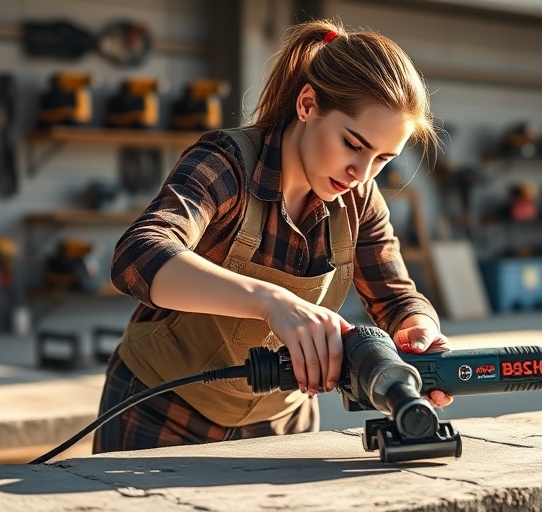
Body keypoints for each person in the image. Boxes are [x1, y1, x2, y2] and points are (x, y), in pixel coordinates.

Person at [94, 18, 451, 453]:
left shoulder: (360, 198)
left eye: (382, 159)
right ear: (307, 105)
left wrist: (421, 332)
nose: (361, 174)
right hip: (162, 410)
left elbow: (395, 298)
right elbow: (138, 255)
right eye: (353, 144)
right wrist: (271, 302)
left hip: (282, 423)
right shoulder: (226, 164)